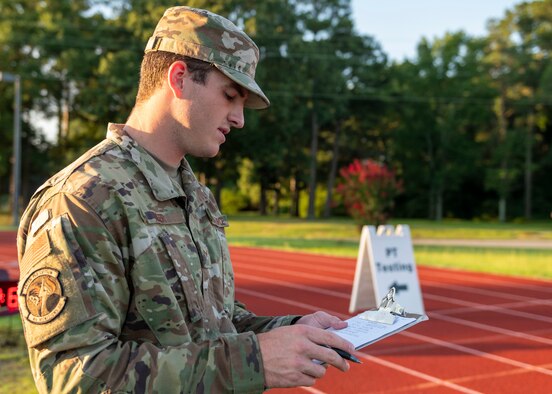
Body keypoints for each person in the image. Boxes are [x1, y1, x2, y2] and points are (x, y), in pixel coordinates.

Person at [17, 6, 355, 393]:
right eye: (231, 96)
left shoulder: (195, 196)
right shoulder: (83, 200)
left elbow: (216, 323)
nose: (240, 118)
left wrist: (289, 331)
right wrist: (253, 361)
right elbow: (77, 376)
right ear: (179, 78)